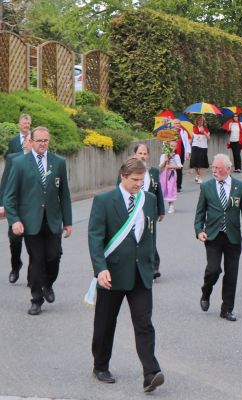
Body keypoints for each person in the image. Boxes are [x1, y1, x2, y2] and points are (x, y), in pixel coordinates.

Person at [88, 157, 164, 392]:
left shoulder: (149, 200)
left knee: (144, 323)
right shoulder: (104, 201)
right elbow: (95, 237)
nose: (139, 184)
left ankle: (150, 373)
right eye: (134, 180)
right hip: (112, 273)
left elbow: (150, 234)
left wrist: (151, 263)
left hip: (141, 273)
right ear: (123, 176)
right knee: (105, 322)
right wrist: (100, 268)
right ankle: (100, 365)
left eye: (142, 180)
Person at [3, 127, 72, 315]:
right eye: (39, 140)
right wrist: (14, 220)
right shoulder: (19, 163)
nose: (43, 144)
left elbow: (64, 194)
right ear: (31, 142)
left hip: (52, 220)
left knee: (54, 256)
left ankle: (47, 283)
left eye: (45, 140)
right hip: (30, 222)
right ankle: (36, 300)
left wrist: (68, 222)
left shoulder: (58, 162)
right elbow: (9, 196)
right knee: (37, 260)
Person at [195, 154, 242, 321]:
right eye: (213, 167)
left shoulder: (240, 187)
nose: (214, 170)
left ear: (228, 169)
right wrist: (199, 230)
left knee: (231, 274)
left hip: (233, 237)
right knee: (213, 269)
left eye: (218, 168)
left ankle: (227, 309)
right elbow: (200, 213)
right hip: (213, 236)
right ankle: (206, 292)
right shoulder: (206, 187)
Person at [117, 143, 165, 279]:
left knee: (150, 237)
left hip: (149, 210)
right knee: (135, 237)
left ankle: (153, 267)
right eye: (140, 153)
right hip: (132, 209)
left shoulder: (154, 171)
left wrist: (161, 210)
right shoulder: (126, 171)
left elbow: (158, 191)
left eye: (145, 154)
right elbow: (118, 190)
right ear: (135, 154)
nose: (143, 156)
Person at [2, 114, 32, 283]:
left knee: (33, 243)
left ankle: (32, 274)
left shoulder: (42, 160)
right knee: (15, 240)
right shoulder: (13, 158)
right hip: (15, 206)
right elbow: (5, 181)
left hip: (33, 208)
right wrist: (2, 204)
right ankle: (16, 265)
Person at [159, 140, 183, 214]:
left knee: (171, 188)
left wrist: (170, 166)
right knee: (162, 188)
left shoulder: (176, 156)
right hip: (164, 174)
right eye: (171, 146)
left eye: (174, 146)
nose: (172, 147)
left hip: (171, 174)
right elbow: (161, 166)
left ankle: (171, 205)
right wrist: (165, 160)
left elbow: (179, 166)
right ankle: (159, 206)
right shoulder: (163, 156)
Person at [172, 119, 191, 192]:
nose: (178, 124)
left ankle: (178, 186)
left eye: (179, 123)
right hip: (172, 153)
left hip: (181, 153)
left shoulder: (183, 132)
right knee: (172, 170)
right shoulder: (170, 132)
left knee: (179, 169)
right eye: (176, 123)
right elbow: (165, 142)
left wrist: (188, 153)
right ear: (173, 124)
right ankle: (172, 186)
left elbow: (186, 143)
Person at [190, 116, 210, 183]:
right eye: (199, 120)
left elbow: (208, 138)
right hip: (195, 146)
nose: (200, 121)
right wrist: (188, 148)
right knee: (194, 162)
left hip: (203, 147)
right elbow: (191, 139)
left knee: (201, 163)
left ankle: (200, 177)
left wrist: (204, 132)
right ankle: (198, 174)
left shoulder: (206, 129)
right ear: (197, 121)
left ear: (203, 121)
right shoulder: (194, 128)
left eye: (201, 120)